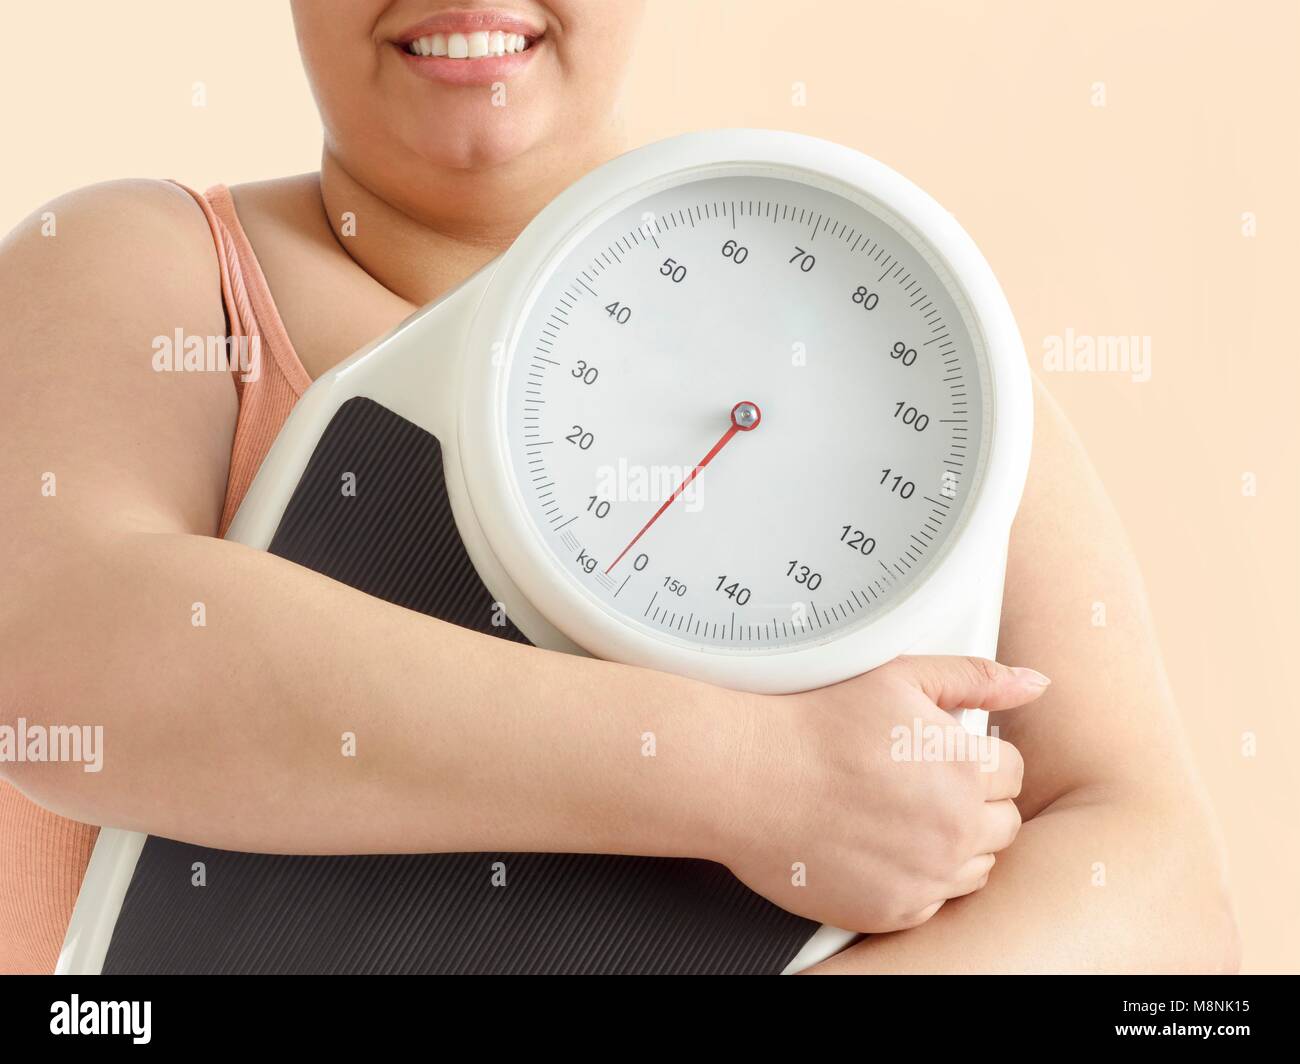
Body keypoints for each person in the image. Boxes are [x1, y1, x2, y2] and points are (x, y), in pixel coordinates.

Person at [0, 0, 1237, 974]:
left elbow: (1158, 897)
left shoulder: (921, 350)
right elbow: (56, 654)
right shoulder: (147, 269)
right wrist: (759, 777)